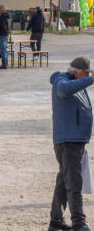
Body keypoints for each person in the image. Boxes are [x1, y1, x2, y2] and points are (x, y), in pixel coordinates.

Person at [48, 57, 93, 231]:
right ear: (76, 71)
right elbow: (62, 90)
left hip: (75, 142)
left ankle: (56, 221)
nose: (87, 76)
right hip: (69, 143)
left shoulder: (75, 82)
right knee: (74, 183)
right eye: (85, 73)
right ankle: (79, 223)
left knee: (63, 182)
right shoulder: (62, 79)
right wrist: (90, 80)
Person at [0, 5, 11, 70]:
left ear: (2, 10)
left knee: (2, 50)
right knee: (4, 50)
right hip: (5, 34)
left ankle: (4, 65)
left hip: (2, 35)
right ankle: (5, 64)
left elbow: (3, 27)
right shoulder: (6, 16)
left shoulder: (2, 17)